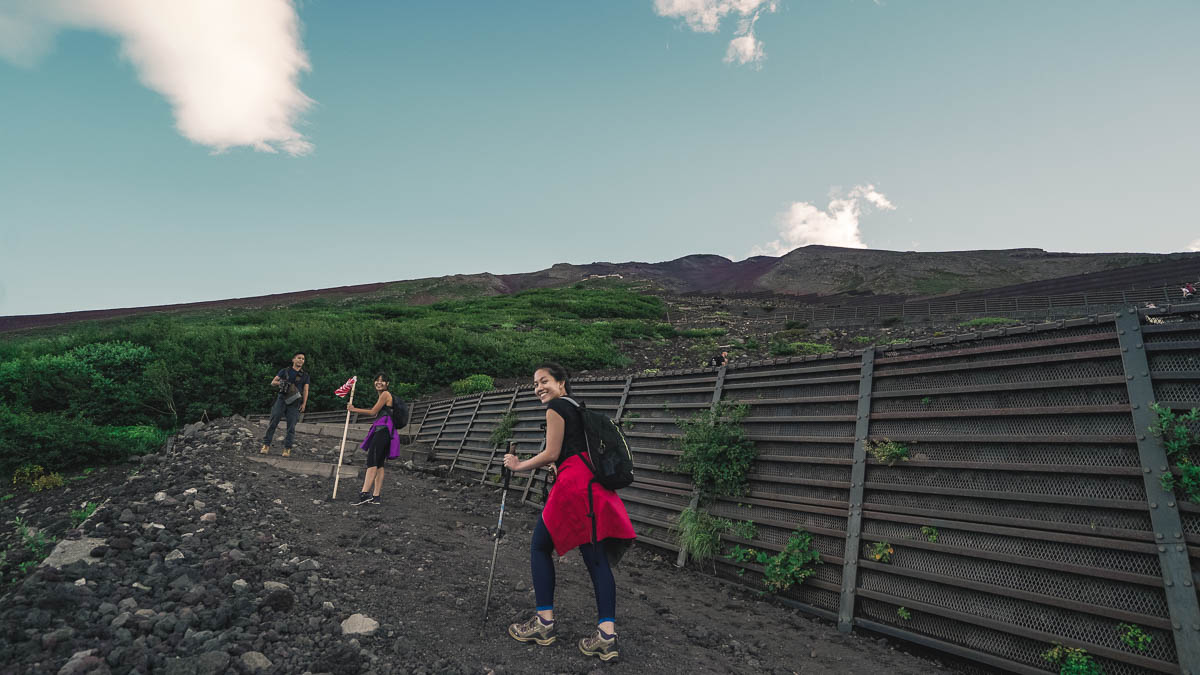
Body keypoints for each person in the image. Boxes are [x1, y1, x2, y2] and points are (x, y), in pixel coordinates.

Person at [503, 363, 636, 662]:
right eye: (535, 384)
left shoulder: (557, 407)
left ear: (562, 383)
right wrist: (558, 462)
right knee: (597, 560)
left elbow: (551, 452)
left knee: (539, 546)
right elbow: (567, 451)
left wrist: (517, 465)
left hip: (574, 488)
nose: (539, 388)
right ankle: (605, 637)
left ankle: (544, 624)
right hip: (592, 486)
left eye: (544, 381)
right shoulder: (576, 408)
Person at [347, 373, 400, 506]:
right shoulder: (383, 396)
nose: (379, 383)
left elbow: (372, 412)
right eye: (377, 380)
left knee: (372, 460)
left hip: (382, 431)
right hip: (386, 430)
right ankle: (376, 497)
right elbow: (377, 413)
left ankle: (364, 494)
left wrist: (353, 409)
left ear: (387, 384)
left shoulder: (385, 395)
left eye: (382, 381)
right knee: (380, 464)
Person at [260, 352, 310, 457]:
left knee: (291, 426)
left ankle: (287, 448)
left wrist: (304, 403)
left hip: (295, 402)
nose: (301, 360)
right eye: (299, 358)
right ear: (293, 360)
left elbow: (306, 390)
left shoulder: (305, 375)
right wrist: (281, 383)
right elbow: (273, 382)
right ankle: (266, 445)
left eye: (303, 359)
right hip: (282, 399)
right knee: (273, 422)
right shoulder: (284, 371)